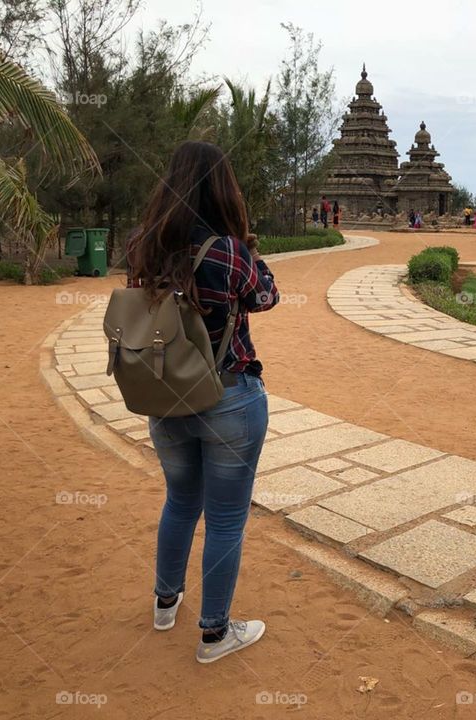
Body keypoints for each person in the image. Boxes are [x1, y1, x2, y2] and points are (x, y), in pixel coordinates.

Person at [126, 141, 278, 664]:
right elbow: (266, 297)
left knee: (180, 502)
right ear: (222, 187)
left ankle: (165, 604)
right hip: (228, 396)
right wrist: (252, 250)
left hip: (164, 396)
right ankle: (215, 634)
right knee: (227, 519)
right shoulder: (230, 252)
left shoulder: (142, 245)